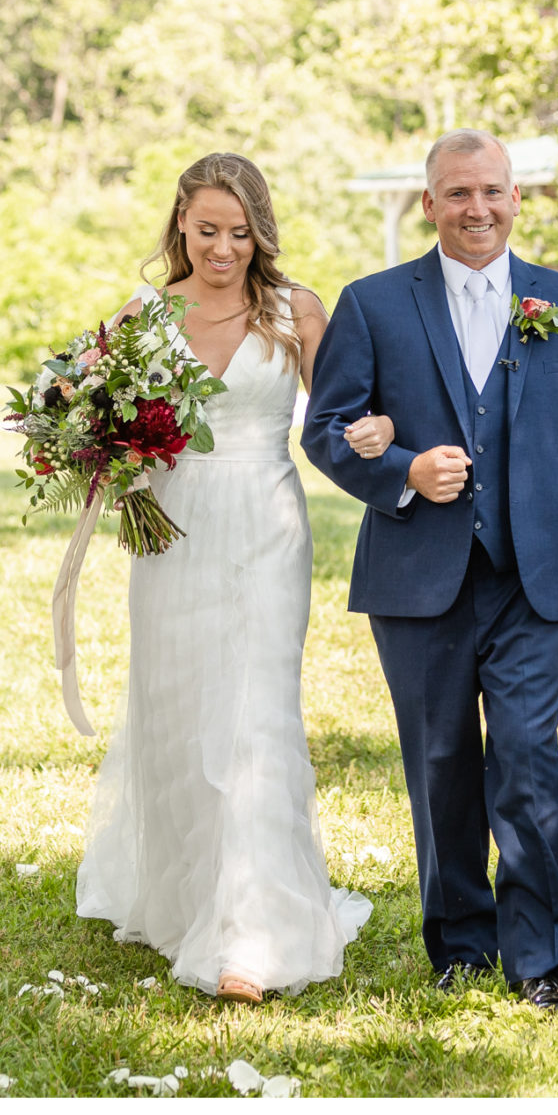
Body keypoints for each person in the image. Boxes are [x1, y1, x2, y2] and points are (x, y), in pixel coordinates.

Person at [303, 130, 558, 1013]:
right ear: (429, 204)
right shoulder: (372, 305)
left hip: (538, 577)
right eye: (457, 193)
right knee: (441, 762)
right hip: (418, 577)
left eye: (492, 191)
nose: (476, 208)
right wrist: (402, 473)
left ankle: (539, 963)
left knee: (527, 760)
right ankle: (458, 943)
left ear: (517, 198)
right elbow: (327, 431)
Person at [77, 152, 377, 1003]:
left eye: (240, 233)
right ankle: (185, 900)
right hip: (169, 535)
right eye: (207, 230)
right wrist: (99, 454)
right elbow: (104, 423)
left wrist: (373, 433)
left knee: (252, 717)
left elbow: (339, 418)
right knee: (175, 707)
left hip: (264, 528)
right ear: (180, 223)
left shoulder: (296, 312)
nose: (223, 248)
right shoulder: (143, 315)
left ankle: (255, 930)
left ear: (260, 232)